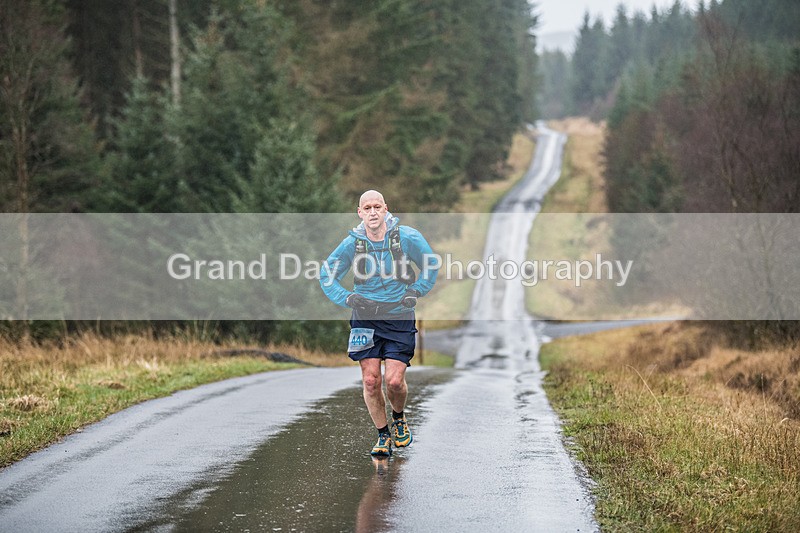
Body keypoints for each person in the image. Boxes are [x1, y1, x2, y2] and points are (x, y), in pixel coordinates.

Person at [319, 190, 438, 456]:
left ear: (385, 209)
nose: (372, 212)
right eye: (367, 208)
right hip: (365, 318)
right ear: (359, 213)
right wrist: (347, 297)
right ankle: (383, 435)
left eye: (377, 207)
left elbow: (431, 265)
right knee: (371, 381)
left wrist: (416, 290)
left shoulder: (406, 237)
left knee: (394, 382)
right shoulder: (352, 244)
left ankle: (399, 417)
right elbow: (326, 275)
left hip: (399, 315)